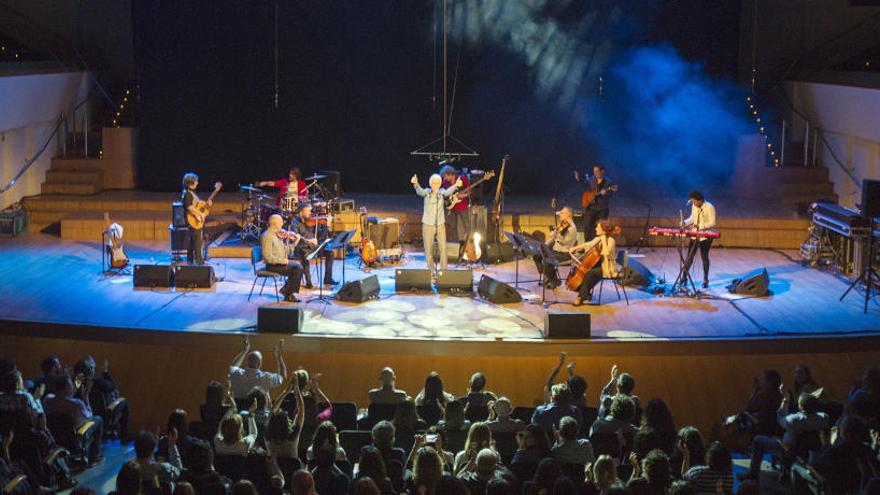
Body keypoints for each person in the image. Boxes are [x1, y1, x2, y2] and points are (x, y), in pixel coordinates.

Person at [740, 389, 829, 483]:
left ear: (801, 407)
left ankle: (753, 474)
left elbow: (780, 418)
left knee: (757, 440)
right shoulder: (824, 418)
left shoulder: (795, 420)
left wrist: (785, 399)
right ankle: (785, 472)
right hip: (809, 450)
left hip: (787, 448)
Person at [43, 373, 104, 465]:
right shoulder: (77, 404)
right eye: (71, 384)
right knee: (98, 419)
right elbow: (89, 417)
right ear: (67, 387)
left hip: (54, 439)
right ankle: (94, 457)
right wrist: (86, 395)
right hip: (74, 441)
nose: (73, 386)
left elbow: (63, 399)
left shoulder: (47, 399)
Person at [411, 173, 461, 278]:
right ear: (430, 183)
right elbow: (419, 191)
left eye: (438, 183)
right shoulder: (427, 192)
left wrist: (456, 185)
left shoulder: (442, 193)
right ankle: (432, 272)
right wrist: (416, 184)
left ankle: (443, 272)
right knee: (428, 250)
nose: (436, 185)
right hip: (428, 224)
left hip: (440, 225)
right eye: (434, 183)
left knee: (443, 249)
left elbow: (448, 191)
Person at [568, 220, 619, 306]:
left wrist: (603, 240)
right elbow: (588, 244)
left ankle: (580, 297)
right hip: (598, 266)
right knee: (582, 274)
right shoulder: (598, 239)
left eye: (598, 227)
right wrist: (575, 248)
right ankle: (586, 295)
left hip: (607, 268)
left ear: (603, 230)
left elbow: (606, 253)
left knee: (589, 274)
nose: (595, 229)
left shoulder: (611, 241)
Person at [261, 214, 305, 302]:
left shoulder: (277, 235)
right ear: (274, 224)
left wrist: (296, 241)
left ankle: (286, 290)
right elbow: (267, 257)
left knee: (298, 266)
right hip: (272, 265)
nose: (282, 224)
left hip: (279, 263)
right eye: (280, 222)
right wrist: (283, 261)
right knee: (297, 269)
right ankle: (288, 295)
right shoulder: (267, 236)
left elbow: (286, 250)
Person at [289, 204, 336, 287]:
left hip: (314, 248)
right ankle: (308, 282)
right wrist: (308, 240)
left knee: (330, 253)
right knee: (305, 255)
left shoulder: (314, 222)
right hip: (301, 248)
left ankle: (327, 278)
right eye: (307, 211)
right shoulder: (295, 222)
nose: (310, 213)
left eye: (310, 211)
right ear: (301, 213)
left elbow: (322, 236)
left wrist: (326, 225)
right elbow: (294, 236)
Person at [533, 207, 578, 289]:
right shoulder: (563, 224)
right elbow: (553, 238)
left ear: (568, 214)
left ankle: (554, 281)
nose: (560, 214)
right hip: (556, 251)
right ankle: (547, 276)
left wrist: (555, 235)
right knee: (537, 255)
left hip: (565, 254)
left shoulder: (572, 228)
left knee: (547, 260)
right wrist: (543, 246)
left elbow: (565, 241)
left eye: (562, 213)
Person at [681, 190, 716, 289]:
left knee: (704, 257)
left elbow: (712, 223)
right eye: (692, 201)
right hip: (695, 234)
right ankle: (684, 277)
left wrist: (700, 226)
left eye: (694, 201)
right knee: (689, 257)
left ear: (700, 200)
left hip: (705, 236)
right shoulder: (694, 206)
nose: (693, 203)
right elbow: (692, 218)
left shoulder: (709, 207)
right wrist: (685, 222)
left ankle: (705, 279)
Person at [574, 164, 615, 239]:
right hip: (590, 207)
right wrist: (579, 179)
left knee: (599, 229)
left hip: (602, 209)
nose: (595, 173)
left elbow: (610, 194)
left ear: (602, 171)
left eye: (597, 171)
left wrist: (605, 193)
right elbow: (586, 182)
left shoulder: (608, 182)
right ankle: (587, 246)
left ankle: (597, 247)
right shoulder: (592, 178)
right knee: (587, 227)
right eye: (594, 171)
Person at [181, 172, 213, 265]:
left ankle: (190, 261)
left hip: (194, 219)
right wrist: (200, 214)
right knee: (197, 242)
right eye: (196, 181)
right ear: (190, 183)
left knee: (192, 241)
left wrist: (208, 205)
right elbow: (189, 207)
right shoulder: (187, 194)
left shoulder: (190, 192)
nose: (197, 183)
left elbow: (197, 205)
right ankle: (199, 262)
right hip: (193, 220)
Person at [440, 164, 471, 245]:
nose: (444, 178)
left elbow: (469, 191)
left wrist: (463, 195)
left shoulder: (462, 179)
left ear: (450, 174)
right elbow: (443, 194)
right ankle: (454, 246)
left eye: (445, 176)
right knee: (452, 227)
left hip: (462, 206)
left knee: (466, 225)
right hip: (451, 208)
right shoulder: (444, 183)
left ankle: (469, 245)